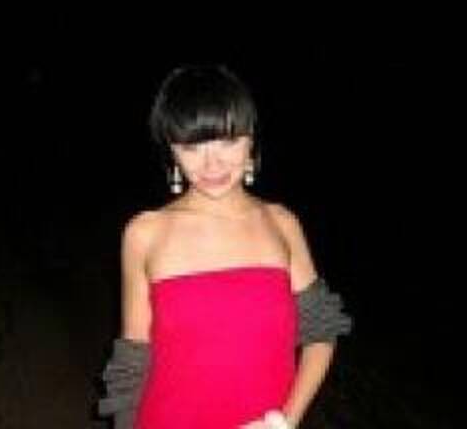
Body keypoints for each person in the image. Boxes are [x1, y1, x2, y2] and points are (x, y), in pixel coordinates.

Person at [98, 64, 352, 428]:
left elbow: (322, 330)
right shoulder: (145, 233)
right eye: (192, 146)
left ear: (251, 141)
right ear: (172, 150)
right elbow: (132, 361)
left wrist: (285, 420)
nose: (212, 163)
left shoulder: (281, 223)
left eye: (229, 141)